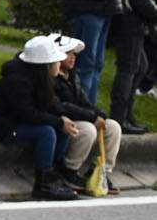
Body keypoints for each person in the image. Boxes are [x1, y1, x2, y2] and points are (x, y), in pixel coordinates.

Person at [0, 36, 80, 200]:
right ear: (45, 65)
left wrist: (63, 119)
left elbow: (51, 105)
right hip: (4, 127)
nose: (59, 64)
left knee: (61, 129)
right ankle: (43, 183)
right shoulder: (18, 81)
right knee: (47, 132)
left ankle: (54, 175)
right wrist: (58, 121)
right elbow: (27, 114)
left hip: (21, 123)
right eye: (55, 61)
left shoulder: (42, 79)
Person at [49, 34, 124, 194]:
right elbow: (61, 106)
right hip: (63, 120)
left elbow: (83, 101)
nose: (73, 57)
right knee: (87, 129)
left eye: (74, 54)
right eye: (68, 53)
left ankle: (99, 171)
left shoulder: (72, 76)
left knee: (113, 127)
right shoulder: (51, 77)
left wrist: (100, 114)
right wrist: (91, 117)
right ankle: (69, 170)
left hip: (79, 117)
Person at [100, 0, 154, 135]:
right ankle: (119, 118)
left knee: (139, 67)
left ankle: (127, 114)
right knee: (129, 68)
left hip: (135, 23)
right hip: (128, 24)